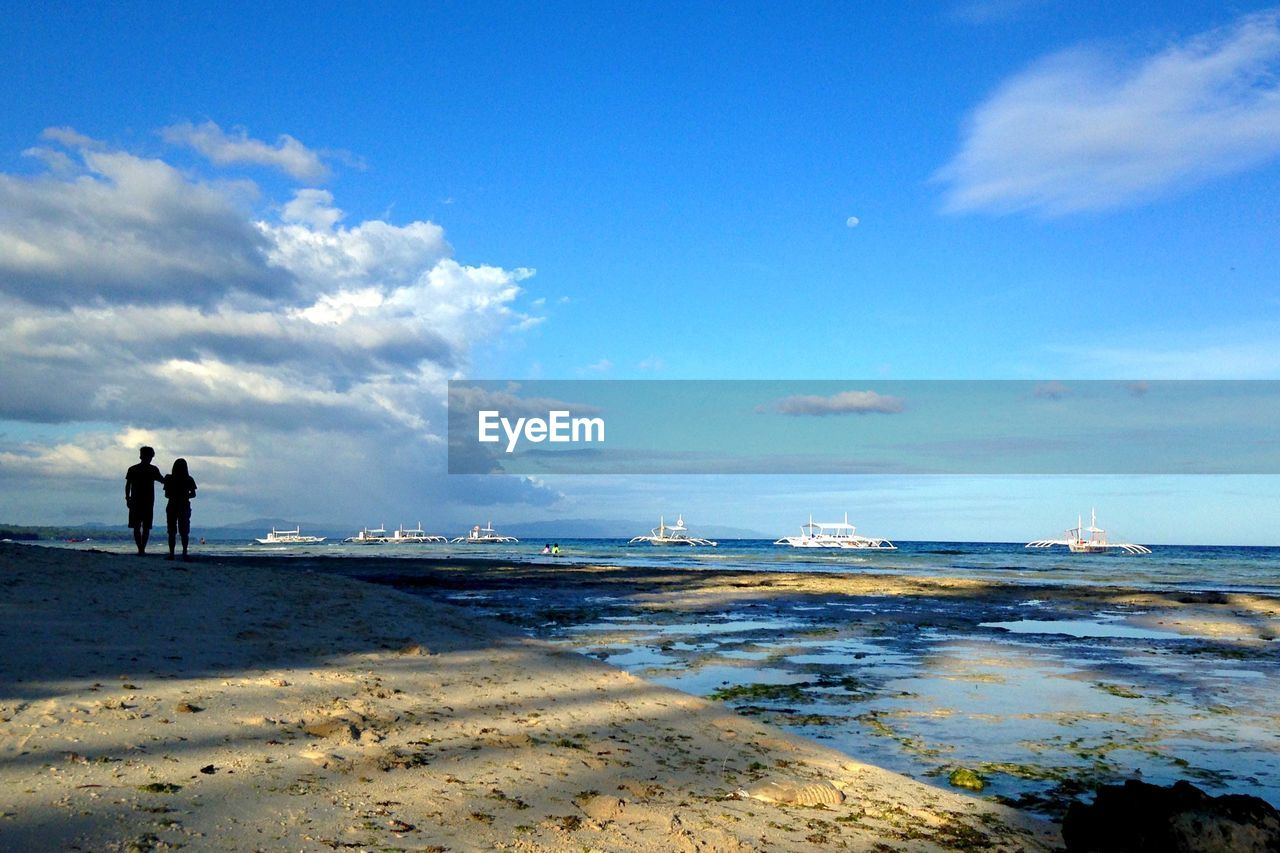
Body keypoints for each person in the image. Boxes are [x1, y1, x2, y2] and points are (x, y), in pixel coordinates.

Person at [125, 446, 164, 555]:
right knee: (145, 526)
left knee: (138, 526)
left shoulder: (133, 469)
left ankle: (140, 549)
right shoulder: (152, 469)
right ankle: (141, 549)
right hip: (146, 501)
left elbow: (128, 485)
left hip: (137, 501)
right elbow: (163, 480)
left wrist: (127, 498)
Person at [163, 458, 198, 561]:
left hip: (172, 505)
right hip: (184, 505)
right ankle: (184, 553)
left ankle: (172, 554)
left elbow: (166, 494)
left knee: (171, 531)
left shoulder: (169, 478)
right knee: (184, 531)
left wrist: (175, 496)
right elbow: (194, 494)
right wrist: (185, 496)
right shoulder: (189, 479)